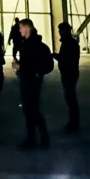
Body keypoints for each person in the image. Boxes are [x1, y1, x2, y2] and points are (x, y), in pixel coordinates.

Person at [16, 18, 52, 148]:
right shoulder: (33, 44)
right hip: (32, 80)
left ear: (26, 28)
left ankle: (38, 138)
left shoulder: (30, 45)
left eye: (21, 28)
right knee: (31, 110)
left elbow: (30, 64)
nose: (19, 30)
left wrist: (20, 67)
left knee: (32, 111)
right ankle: (37, 138)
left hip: (30, 82)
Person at [54, 21, 81, 132]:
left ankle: (74, 121)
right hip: (69, 73)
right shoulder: (69, 43)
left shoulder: (69, 44)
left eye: (61, 30)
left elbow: (66, 59)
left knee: (70, 98)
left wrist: (55, 56)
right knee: (70, 97)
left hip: (69, 73)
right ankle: (74, 121)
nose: (59, 33)